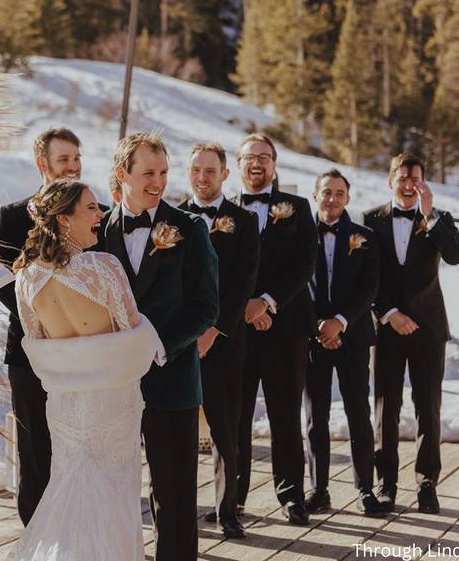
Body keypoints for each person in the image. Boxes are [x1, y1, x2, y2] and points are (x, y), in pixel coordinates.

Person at [7, 179, 163, 560]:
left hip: (64, 404)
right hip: (112, 401)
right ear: (63, 219)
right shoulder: (104, 267)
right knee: (113, 491)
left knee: (68, 487)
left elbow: (37, 340)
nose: (101, 214)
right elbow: (131, 332)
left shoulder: (25, 279)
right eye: (92, 208)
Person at [101, 132, 219, 560]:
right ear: (122, 174)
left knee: (174, 490)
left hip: (171, 379)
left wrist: (158, 346)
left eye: (164, 172)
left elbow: (206, 306)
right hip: (112, 386)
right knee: (113, 484)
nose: (158, 182)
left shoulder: (189, 229)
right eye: (148, 172)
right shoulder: (97, 229)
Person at [0, 128, 88, 525]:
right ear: (42, 163)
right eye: (64, 158)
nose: (73, 165)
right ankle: (35, 531)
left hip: (83, 352)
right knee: (35, 446)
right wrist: (43, 318)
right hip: (30, 349)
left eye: (76, 157)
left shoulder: (91, 211)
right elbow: (1, 281)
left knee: (77, 443)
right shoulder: (14, 216)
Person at [364, 153, 459, 514]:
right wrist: (389, 314)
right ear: (390, 179)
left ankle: (427, 484)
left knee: (428, 407)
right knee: (386, 407)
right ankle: (385, 484)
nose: (409, 185)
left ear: (423, 183)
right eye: (403, 178)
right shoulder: (369, 221)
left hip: (428, 328)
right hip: (388, 328)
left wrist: (429, 215)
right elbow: (367, 278)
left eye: (416, 179)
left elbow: (456, 255)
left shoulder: (438, 219)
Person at [231, 133, 317, 525]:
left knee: (285, 416)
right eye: (250, 157)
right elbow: (219, 269)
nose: (257, 164)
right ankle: (233, 495)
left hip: (287, 329)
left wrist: (265, 302)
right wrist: (244, 309)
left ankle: (291, 495)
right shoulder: (225, 210)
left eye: (264, 157)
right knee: (236, 416)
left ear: (274, 164)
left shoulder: (298, 208)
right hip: (238, 331)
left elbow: (305, 265)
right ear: (238, 164)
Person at [177, 142, 259, 540]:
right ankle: (175, 510)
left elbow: (244, 282)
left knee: (226, 428)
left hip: (225, 342)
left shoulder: (244, 221)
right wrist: (187, 334)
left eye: (210, 171)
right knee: (175, 429)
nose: (202, 177)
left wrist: (213, 330)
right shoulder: (172, 218)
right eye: (196, 170)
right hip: (179, 343)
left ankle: (228, 510)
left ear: (225, 174)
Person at [302, 169, 386, 517]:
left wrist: (340, 323)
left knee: (358, 414)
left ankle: (365, 489)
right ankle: (318, 490)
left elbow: (370, 288)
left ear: (347, 198)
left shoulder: (365, 237)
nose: (332, 199)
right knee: (315, 417)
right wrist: (320, 325)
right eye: (326, 192)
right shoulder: (301, 235)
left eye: (339, 193)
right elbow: (298, 285)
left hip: (353, 337)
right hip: (312, 337)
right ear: (315, 195)